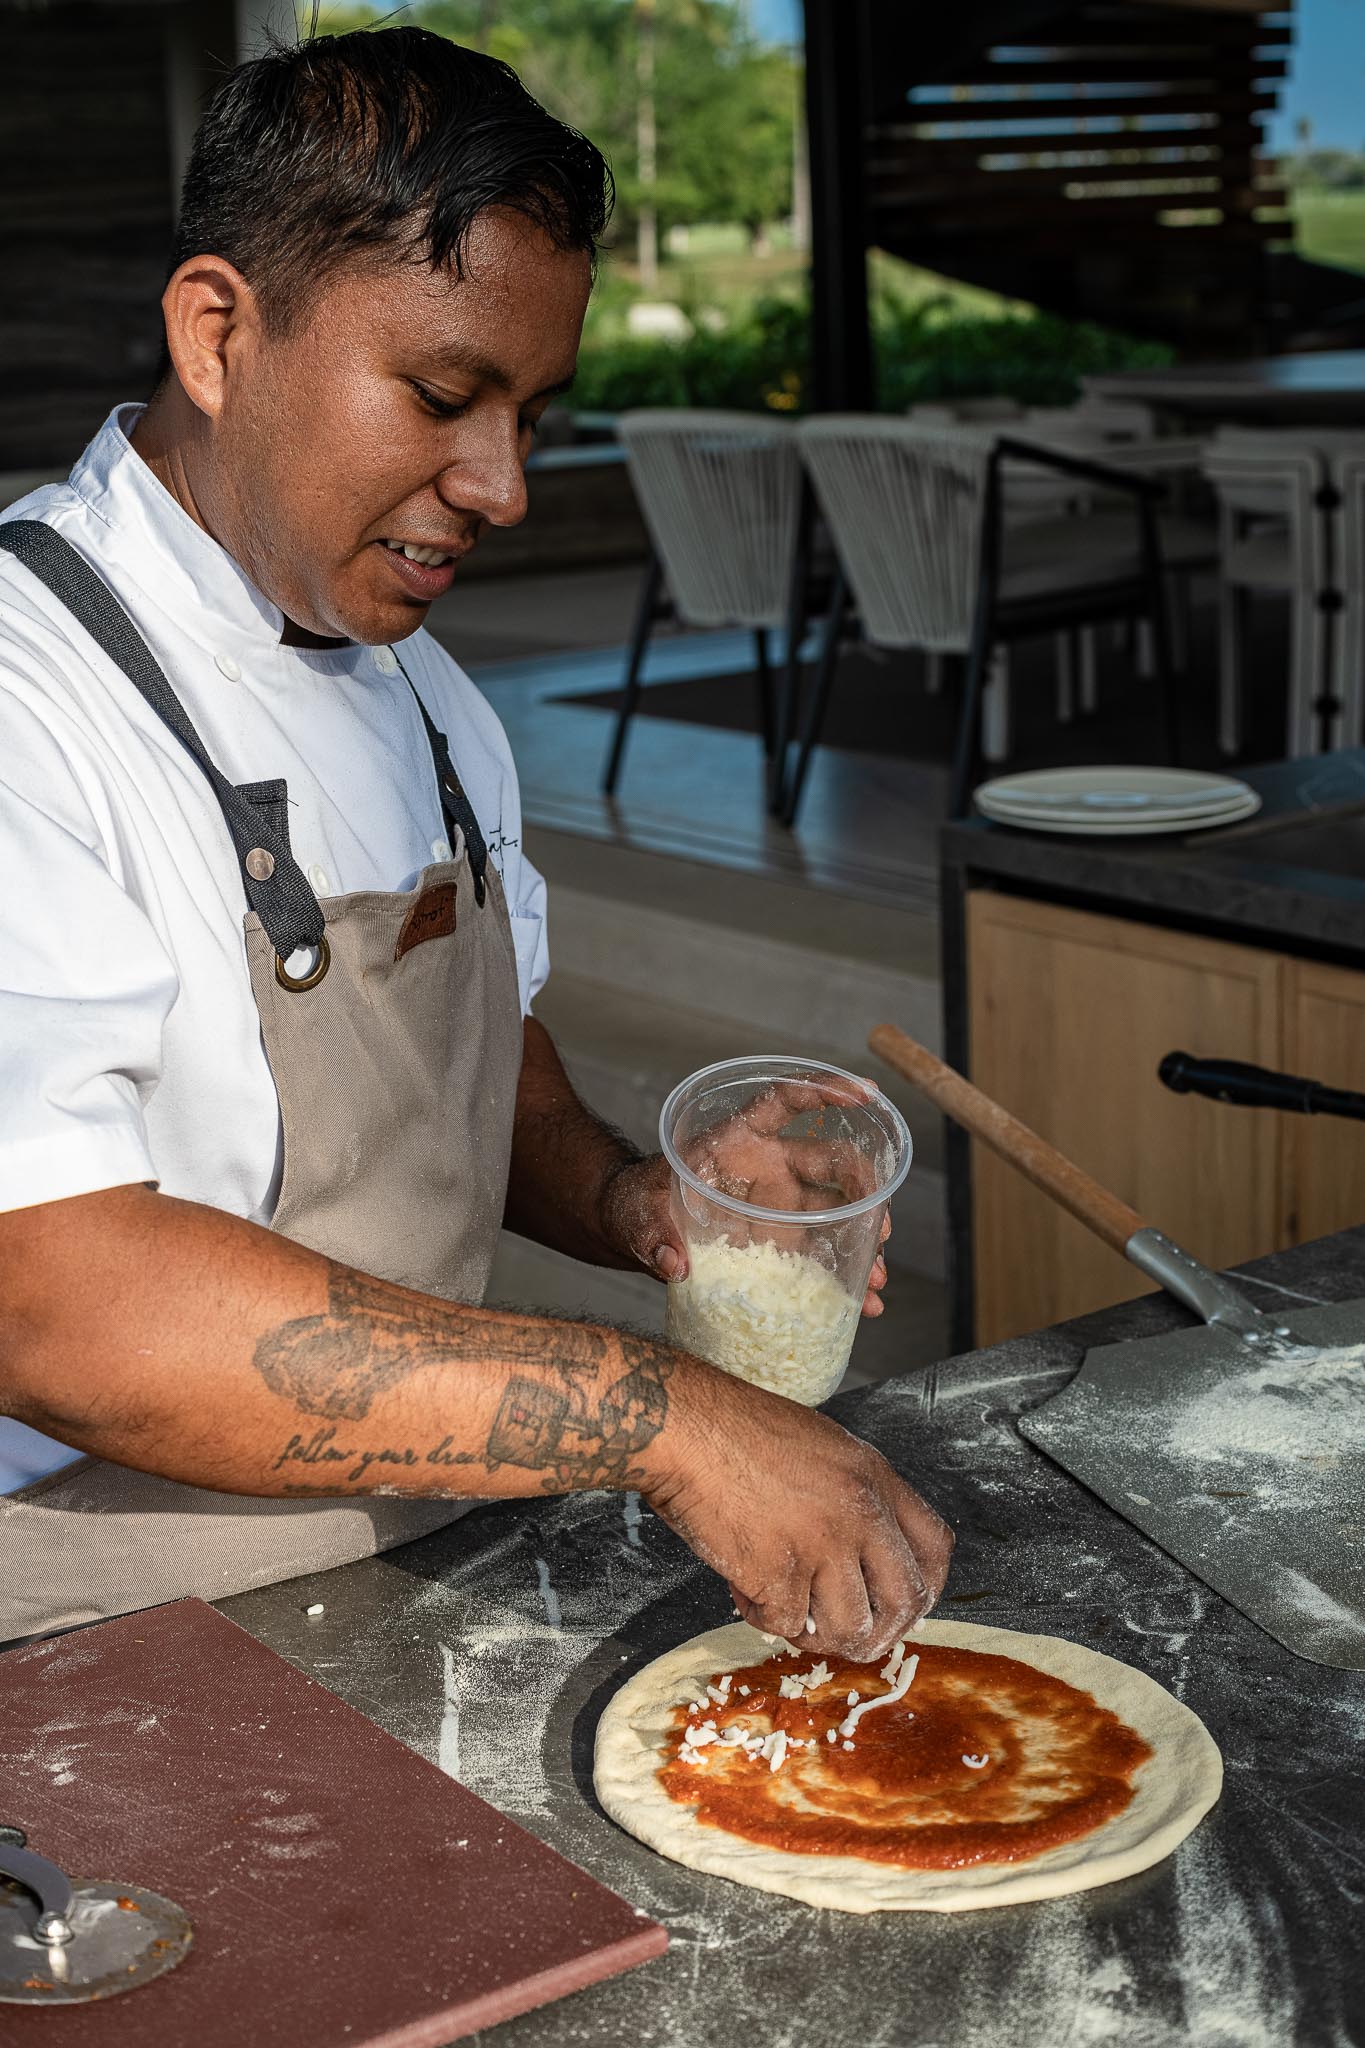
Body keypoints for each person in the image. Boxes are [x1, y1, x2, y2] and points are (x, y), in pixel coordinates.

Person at [0, 26, 951, 1650]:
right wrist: (659, 1415)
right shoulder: (34, 695)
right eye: (443, 396)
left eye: (531, 411)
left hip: (406, 1551)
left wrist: (637, 1202)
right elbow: (58, 1300)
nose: (502, 485)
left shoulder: (425, 695)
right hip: (90, 1630)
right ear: (218, 334)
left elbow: (476, 1070)